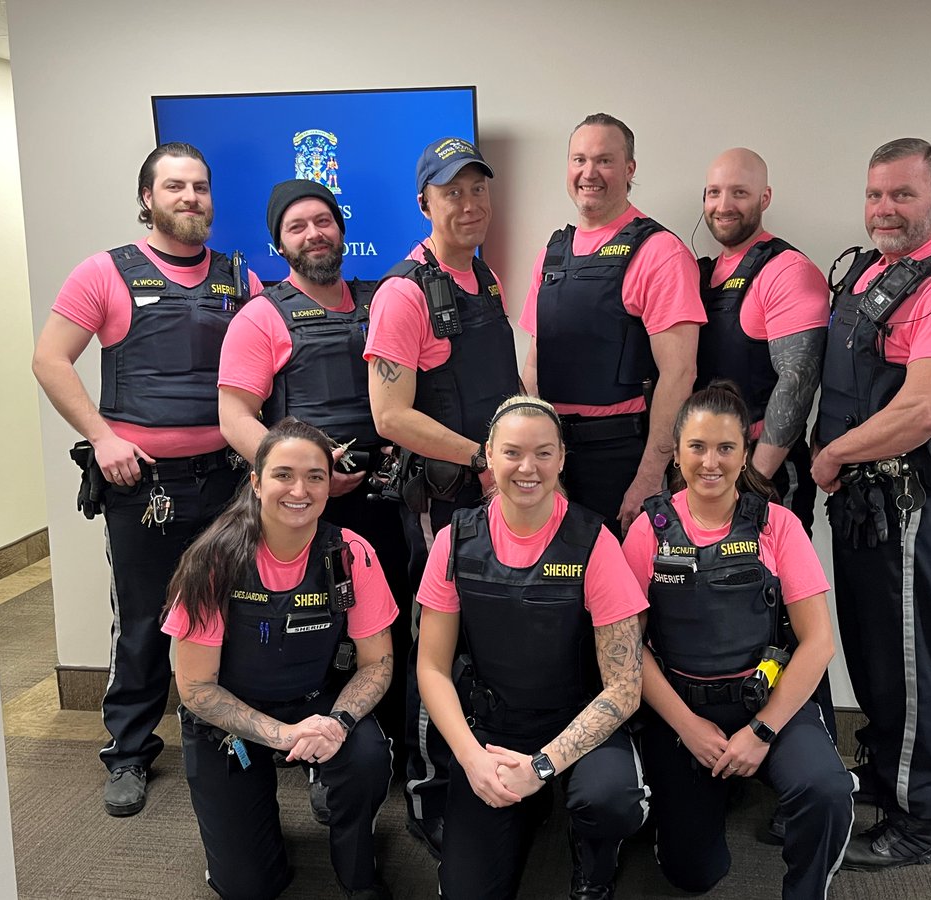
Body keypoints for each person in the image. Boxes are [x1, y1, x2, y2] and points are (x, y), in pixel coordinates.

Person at [31, 142, 261, 816]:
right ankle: (128, 752)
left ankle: (233, 733)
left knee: (233, 611)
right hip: (144, 487)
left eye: (201, 187)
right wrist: (103, 439)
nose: (191, 198)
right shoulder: (103, 273)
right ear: (147, 199)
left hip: (227, 479)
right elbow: (50, 360)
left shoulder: (239, 277)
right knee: (142, 622)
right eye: (175, 187)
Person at [811, 139, 931, 869]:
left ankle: (919, 816)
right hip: (863, 501)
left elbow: (925, 409)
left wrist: (829, 454)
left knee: (904, 658)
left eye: (902, 195)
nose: (884, 209)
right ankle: (885, 771)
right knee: (870, 649)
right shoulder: (873, 271)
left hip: (908, 497)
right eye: (874, 195)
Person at [218, 180, 411, 812]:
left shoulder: (383, 300)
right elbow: (236, 417)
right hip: (302, 512)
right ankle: (310, 753)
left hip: (384, 502)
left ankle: (387, 751)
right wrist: (307, 472)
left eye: (323, 222)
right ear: (279, 243)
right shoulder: (262, 315)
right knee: (308, 630)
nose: (314, 235)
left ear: (341, 227)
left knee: (387, 629)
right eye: (297, 227)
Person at [622, 381, 854, 899]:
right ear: (677, 452)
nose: (711, 462)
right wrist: (688, 726)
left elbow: (818, 643)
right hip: (682, 712)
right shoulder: (649, 530)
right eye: (698, 447)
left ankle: (807, 887)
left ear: (745, 453)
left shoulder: (778, 525)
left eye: (726, 448)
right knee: (692, 875)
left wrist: (761, 732)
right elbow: (626, 650)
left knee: (826, 789)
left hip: (767, 702)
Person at [416, 396, 648, 900]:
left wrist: (541, 766)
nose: (528, 468)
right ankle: (526, 804)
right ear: (489, 456)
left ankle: (594, 855)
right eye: (513, 452)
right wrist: (472, 758)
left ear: (562, 458)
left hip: (579, 721)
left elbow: (626, 688)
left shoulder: (594, 541)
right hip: (493, 729)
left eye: (543, 453)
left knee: (610, 800)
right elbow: (432, 668)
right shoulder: (454, 540)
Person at [365, 137, 522, 855]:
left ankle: (487, 775)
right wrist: (482, 458)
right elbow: (390, 416)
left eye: (478, 190)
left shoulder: (482, 277)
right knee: (441, 644)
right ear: (424, 201)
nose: (469, 204)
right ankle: (430, 795)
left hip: (498, 493)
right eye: (452, 191)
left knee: (490, 640)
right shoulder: (404, 293)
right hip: (445, 502)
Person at [162, 418, 395, 900]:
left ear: (330, 485)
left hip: (317, 704)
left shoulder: (351, 554)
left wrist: (338, 722)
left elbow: (378, 663)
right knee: (248, 887)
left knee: (368, 756)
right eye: (283, 474)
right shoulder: (213, 562)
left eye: (315, 476)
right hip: (228, 720)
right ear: (256, 481)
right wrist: (283, 735)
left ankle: (359, 874)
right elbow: (196, 689)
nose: (300, 490)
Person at [520, 112, 706, 535]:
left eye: (604, 160)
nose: (589, 173)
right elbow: (534, 366)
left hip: (621, 460)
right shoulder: (552, 254)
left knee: (625, 596)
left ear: (629, 169)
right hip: (553, 458)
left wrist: (648, 477)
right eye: (579, 160)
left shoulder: (660, 252)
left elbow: (680, 374)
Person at [695, 148, 827, 537]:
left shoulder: (787, 270)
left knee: (773, 593)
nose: (723, 205)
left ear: (764, 198)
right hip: (707, 472)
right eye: (714, 192)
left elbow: (798, 382)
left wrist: (752, 481)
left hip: (763, 474)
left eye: (739, 193)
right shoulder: (700, 274)